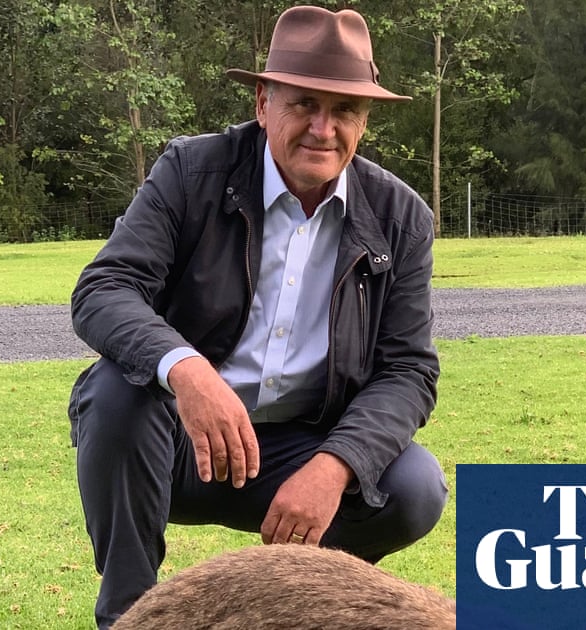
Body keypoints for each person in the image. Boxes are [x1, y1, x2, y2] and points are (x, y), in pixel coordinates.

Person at [68, 6, 447, 628]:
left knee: (413, 486)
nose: (323, 130)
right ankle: (130, 615)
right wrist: (187, 371)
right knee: (116, 395)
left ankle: (319, 609)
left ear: (365, 121)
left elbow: (407, 371)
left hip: (297, 451)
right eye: (303, 105)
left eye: (344, 111)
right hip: (178, 446)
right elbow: (105, 288)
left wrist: (335, 464)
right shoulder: (191, 171)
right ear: (263, 101)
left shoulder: (401, 217)